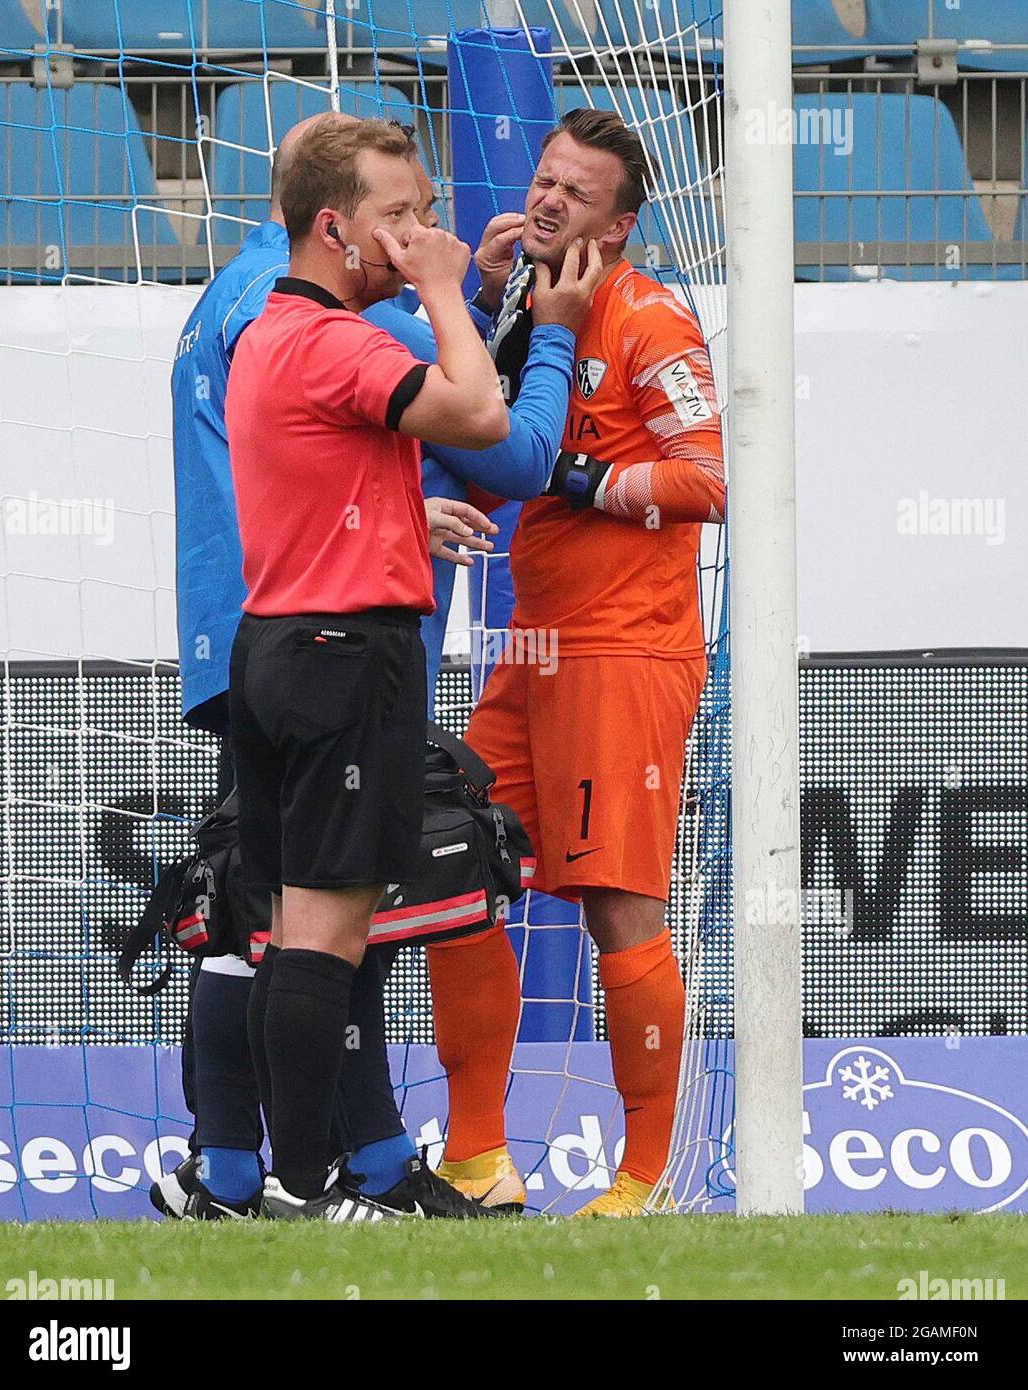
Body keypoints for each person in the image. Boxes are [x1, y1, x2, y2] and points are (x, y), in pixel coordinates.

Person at [157, 112, 597, 1219]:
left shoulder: (256, 320)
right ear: (330, 224)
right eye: (397, 217)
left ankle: (248, 1174)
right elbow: (494, 423)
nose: (418, 235)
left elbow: (324, 467)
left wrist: (402, 503)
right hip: (345, 652)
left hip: (268, 639)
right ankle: (318, 1182)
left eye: (423, 216)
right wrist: (463, 294)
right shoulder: (348, 336)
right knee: (328, 936)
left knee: (267, 927)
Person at [426, 107, 726, 1217]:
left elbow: (705, 481)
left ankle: (642, 1177)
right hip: (531, 646)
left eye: (577, 193)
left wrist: (588, 482)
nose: (549, 200)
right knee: (456, 875)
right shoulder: (529, 303)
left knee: (615, 906)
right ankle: (475, 1158)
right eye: (545, 180)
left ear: (625, 222)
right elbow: (500, 456)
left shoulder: (651, 321)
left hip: (623, 651)